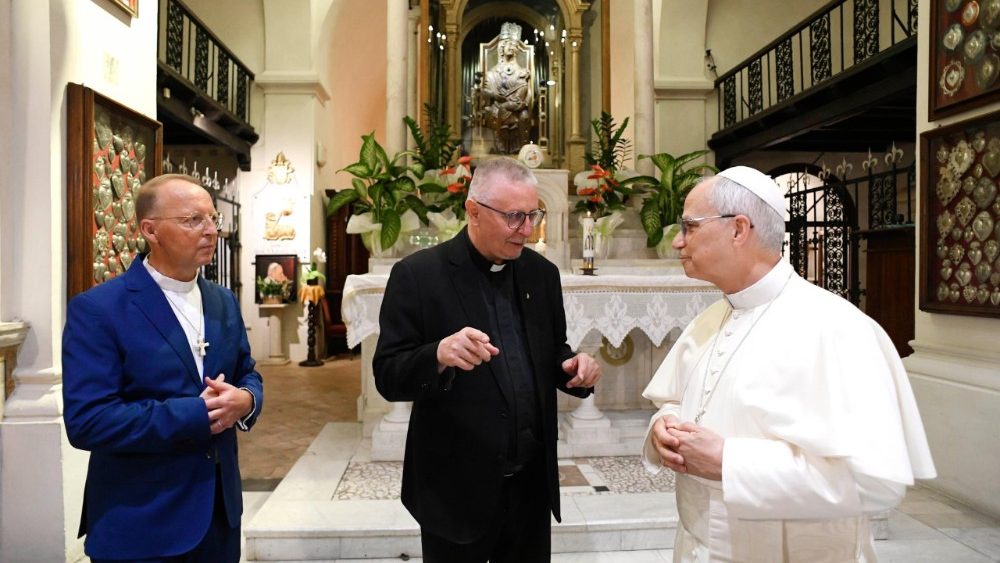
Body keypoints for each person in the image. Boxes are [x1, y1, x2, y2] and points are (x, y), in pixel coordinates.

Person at [641, 166, 936, 562]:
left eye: (690, 227)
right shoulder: (710, 319)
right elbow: (675, 399)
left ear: (738, 229)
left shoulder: (838, 328)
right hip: (697, 548)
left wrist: (729, 461)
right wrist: (664, 425)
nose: (678, 241)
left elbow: (876, 481)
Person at [374, 157, 601, 562]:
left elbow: (552, 352)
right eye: (514, 217)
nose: (527, 230)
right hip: (455, 493)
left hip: (529, 490)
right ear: (473, 211)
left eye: (533, 215)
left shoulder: (541, 274)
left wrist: (573, 368)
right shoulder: (419, 275)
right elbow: (388, 375)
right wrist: (437, 355)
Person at [63, 174, 264, 562]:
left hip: (218, 518)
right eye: (193, 220)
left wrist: (246, 400)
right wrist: (195, 414)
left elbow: (246, 372)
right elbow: (88, 421)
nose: (210, 230)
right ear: (150, 230)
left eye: (213, 219)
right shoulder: (100, 309)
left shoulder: (222, 300)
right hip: (143, 520)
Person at [482, 22, 532, 154]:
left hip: (517, 107)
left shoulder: (522, 72)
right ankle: (500, 147)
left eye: (515, 45)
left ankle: (520, 150)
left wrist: (524, 103)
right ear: (502, 47)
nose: (512, 47)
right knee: (494, 112)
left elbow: (528, 92)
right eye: (509, 44)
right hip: (498, 106)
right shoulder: (492, 73)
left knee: (524, 116)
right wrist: (494, 96)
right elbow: (485, 91)